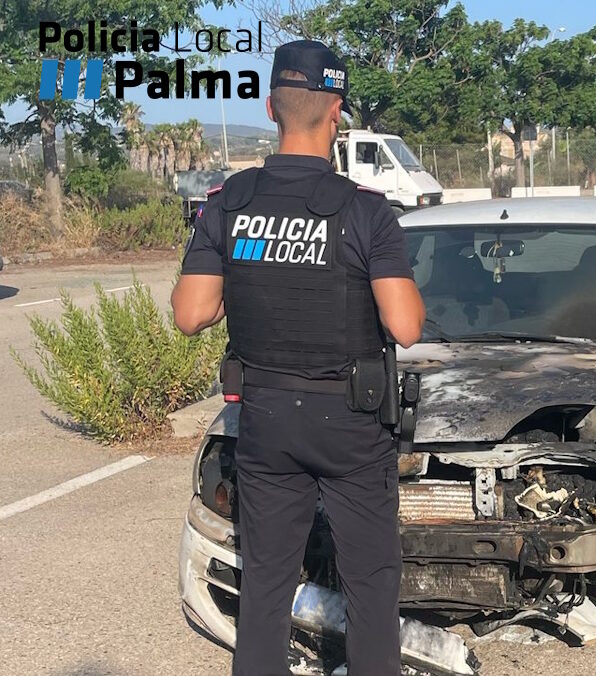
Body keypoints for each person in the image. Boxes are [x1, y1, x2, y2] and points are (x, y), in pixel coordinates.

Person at [171, 39, 425, 675]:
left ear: (270, 109)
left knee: (265, 586)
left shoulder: (229, 203)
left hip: (266, 419)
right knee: (370, 587)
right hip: (351, 424)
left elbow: (191, 313)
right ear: (336, 111)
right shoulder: (366, 210)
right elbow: (406, 325)